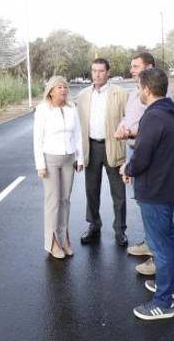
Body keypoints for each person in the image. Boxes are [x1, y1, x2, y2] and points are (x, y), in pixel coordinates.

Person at [123, 67, 174, 321]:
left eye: (139, 87)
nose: (138, 92)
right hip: (170, 188)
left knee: (160, 247)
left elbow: (142, 156)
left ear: (147, 89)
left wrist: (128, 168)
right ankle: (171, 288)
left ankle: (163, 303)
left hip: (156, 191)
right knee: (169, 240)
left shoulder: (153, 117)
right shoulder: (172, 112)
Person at [115, 51, 169, 275]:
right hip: (134, 149)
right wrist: (122, 125)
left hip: (146, 152)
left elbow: (150, 126)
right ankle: (150, 244)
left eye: (136, 66)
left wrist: (128, 132)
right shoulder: (138, 90)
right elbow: (132, 116)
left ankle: (158, 259)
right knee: (144, 203)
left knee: (154, 208)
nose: (132, 69)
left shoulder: (157, 94)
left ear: (150, 68)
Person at [75, 58, 129, 246]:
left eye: (100, 71)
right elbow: (77, 125)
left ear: (108, 73)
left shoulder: (120, 93)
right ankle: (94, 225)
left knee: (118, 192)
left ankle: (120, 230)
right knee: (91, 190)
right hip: (91, 147)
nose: (97, 74)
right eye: (94, 71)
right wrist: (77, 154)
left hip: (112, 146)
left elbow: (129, 119)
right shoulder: (82, 95)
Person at [33, 76, 84, 259]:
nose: (63, 90)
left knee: (65, 200)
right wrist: (40, 165)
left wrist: (80, 158)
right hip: (50, 160)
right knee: (53, 202)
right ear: (51, 91)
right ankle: (52, 242)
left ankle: (64, 239)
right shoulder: (42, 110)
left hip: (69, 158)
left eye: (65, 87)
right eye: (59, 87)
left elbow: (78, 134)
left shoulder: (71, 108)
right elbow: (37, 140)